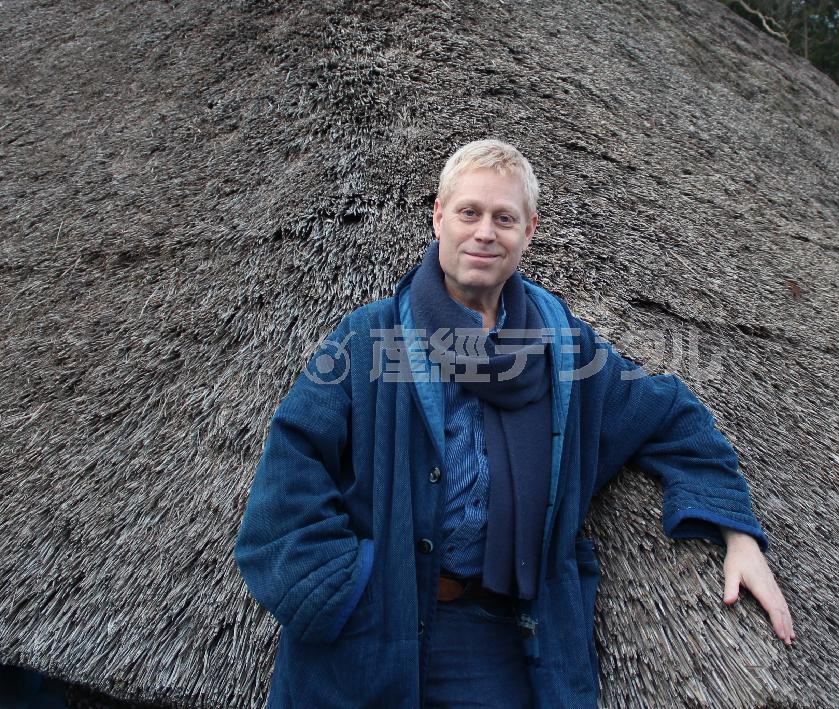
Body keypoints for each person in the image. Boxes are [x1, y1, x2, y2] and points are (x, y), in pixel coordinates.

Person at [234, 139, 795, 708]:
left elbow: (669, 412)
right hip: (370, 636)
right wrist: (345, 591)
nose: (484, 232)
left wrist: (739, 534)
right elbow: (290, 472)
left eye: (504, 218)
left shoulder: (564, 349)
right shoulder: (366, 339)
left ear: (528, 232)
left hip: (498, 642)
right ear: (439, 218)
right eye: (469, 212)